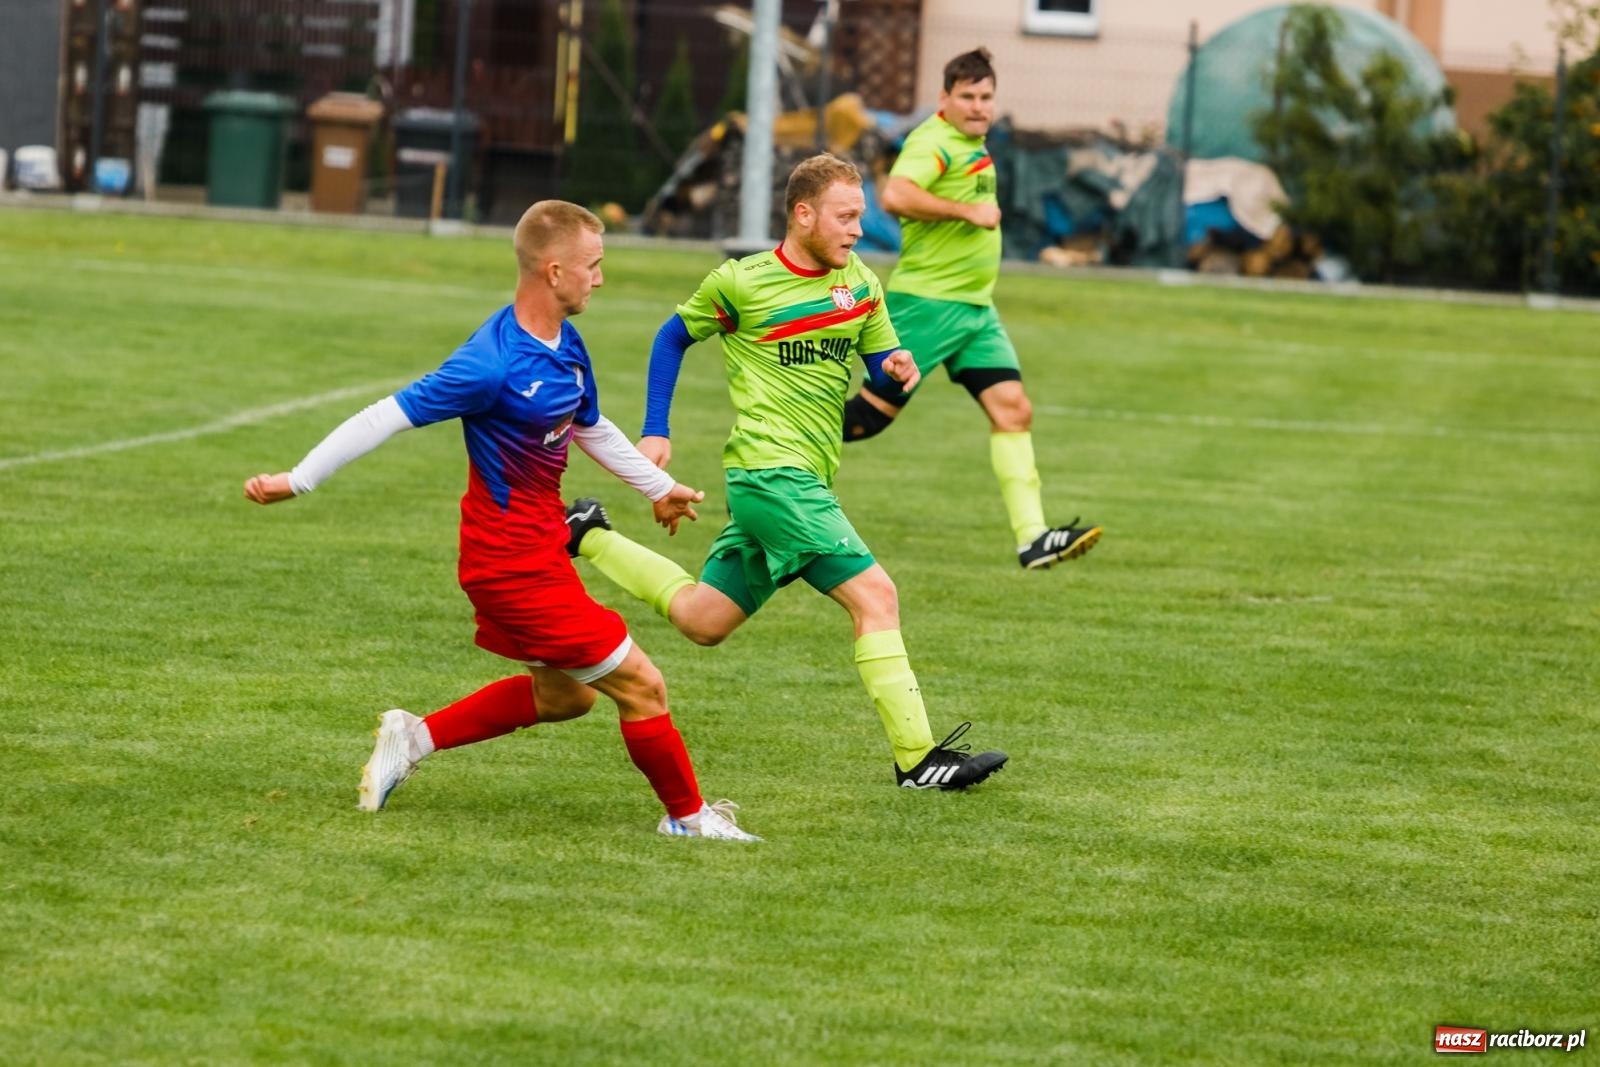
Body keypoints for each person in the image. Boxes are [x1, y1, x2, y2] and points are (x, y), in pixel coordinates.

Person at [243, 200, 758, 841]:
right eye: (592, 266)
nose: (600, 278)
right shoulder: (490, 364)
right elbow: (386, 414)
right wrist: (299, 479)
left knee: (569, 696)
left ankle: (414, 736)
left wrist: (659, 487)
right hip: (509, 565)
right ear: (552, 270)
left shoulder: (566, 343)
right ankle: (688, 819)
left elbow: (589, 426)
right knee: (643, 685)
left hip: (539, 551)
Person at [567, 154, 1008, 791]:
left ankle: (588, 535)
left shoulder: (858, 283)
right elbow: (671, 337)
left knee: (703, 620)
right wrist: (656, 428)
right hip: (772, 477)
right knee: (876, 596)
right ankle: (918, 760)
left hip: (798, 484)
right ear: (803, 214)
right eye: (846, 216)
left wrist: (898, 365)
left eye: (862, 216)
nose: (859, 229)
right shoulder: (741, 283)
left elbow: (882, 350)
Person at [841, 47, 1103, 571]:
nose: (979, 107)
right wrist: (968, 211)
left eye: (986, 97)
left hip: (976, 312)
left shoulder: (972, 142)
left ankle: (1032, 537)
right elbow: (895, 195)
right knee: (867, 420)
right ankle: (767, 468)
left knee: (1014, 409)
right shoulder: (934, 142)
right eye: (968, 97)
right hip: (930, 305)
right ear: (945, 98)